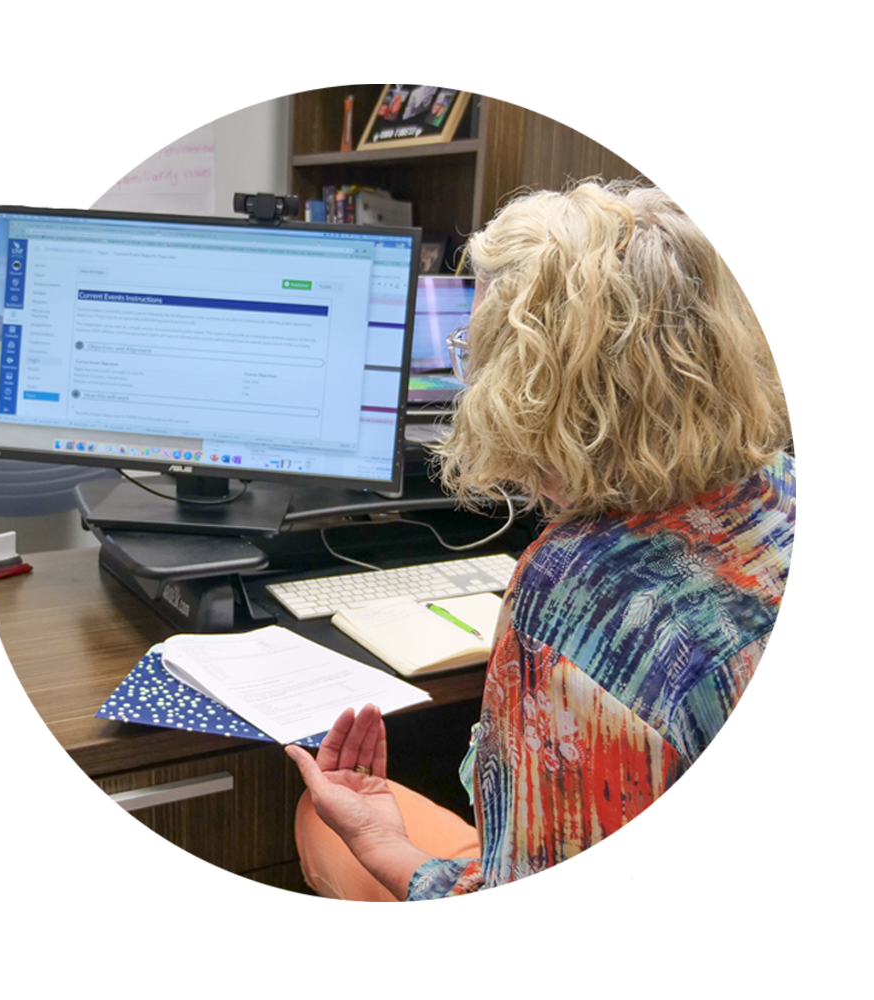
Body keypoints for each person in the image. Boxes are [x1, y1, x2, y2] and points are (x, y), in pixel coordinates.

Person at [286, 178, 796, 901]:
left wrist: (383, 844)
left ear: (534, 382)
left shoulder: (577, 599)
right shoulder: (786, 488)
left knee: (324, 819)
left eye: (479, 347)